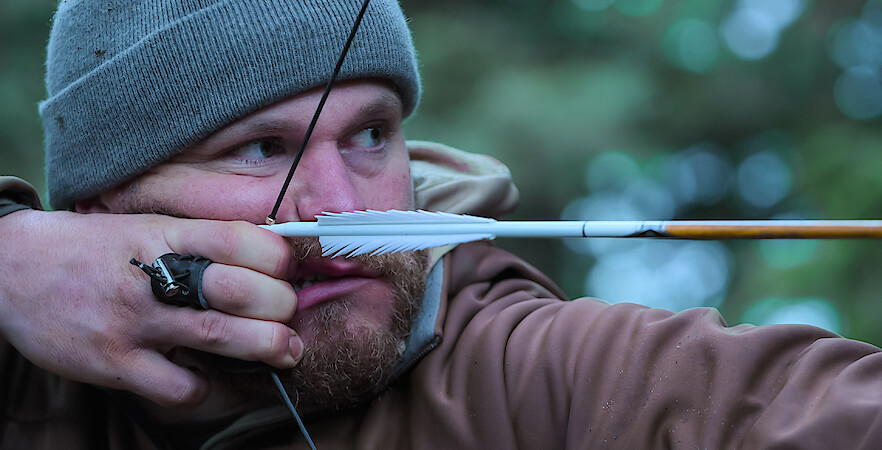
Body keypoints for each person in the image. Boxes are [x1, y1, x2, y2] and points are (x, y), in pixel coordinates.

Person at [2, 0, 882, 448]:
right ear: (100, 210)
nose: (344, 208)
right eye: (260, 150)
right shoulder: (29, 376)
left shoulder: (535, 379)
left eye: (373, 134)